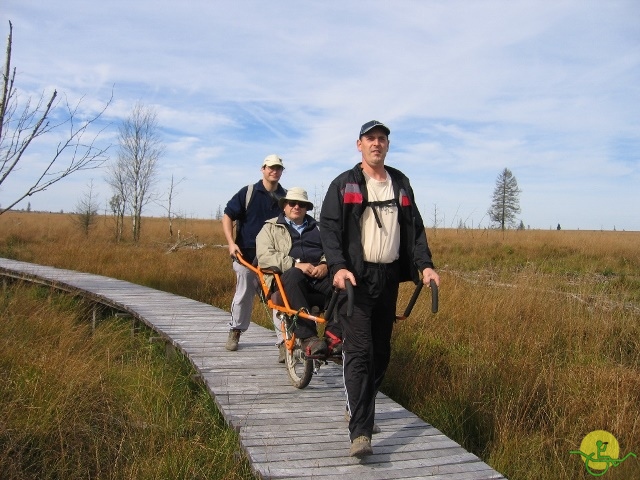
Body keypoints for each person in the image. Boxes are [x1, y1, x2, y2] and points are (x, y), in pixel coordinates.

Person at [319, 120, 440, 458]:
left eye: (382, 139)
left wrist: (425, 265)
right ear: (359, 144)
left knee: (381, 352)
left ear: (387, 145)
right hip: (354, 280)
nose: (376, 144)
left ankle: (359, 405)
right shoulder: (344, 184)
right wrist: (338, 267)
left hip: (387, 279)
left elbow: (415, 230)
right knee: (358, 351)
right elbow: (329, 229)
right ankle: (361, 432)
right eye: (370, 139)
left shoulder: (400, 184)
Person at [256, 187, 342, 363]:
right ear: (284, 207)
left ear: (307, 208)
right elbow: (264, 256)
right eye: (292, 203)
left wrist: (325, 264)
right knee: (294, 274)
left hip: (317, 277)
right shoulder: (270, 228)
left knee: (343, 286)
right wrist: (296, 264)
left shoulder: (319, 229)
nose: (297, 207)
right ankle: (308, 338)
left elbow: (332, 249)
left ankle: (333, 338)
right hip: (286, 278)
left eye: (301, 204)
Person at [222, 154, 286, 351]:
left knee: (279, 298)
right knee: (244, 294)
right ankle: (235, 331)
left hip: (273, 258)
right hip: (246, 257)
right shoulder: (248, 192)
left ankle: (284, 344)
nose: (274, 171)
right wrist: (231, 243)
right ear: (263, 169)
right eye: (270, 167)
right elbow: (228, 215)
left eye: (278, 168)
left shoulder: (286, 197)